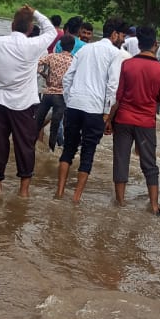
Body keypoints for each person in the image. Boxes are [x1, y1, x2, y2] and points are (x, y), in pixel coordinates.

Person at [0, 5, 57, 197]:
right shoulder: (34, 45)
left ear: (12, 25)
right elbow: (51, 30)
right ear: (30, 29)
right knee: (24, 145)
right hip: (23, 103)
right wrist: (36, 12)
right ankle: (24, 190)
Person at [56, 16, 128, 203]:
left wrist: (68, 101)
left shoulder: (85, 49)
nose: (123, 39)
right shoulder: (115, 54)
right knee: (88, 152)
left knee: (68, 150)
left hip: (74, 105)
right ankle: (76, 198)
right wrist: (106, 113)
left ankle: (59, 192)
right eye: (122, 35)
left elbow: (67, 78)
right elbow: (112, 86)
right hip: (95, 109)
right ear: (114, 35)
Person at [106, 25, 160, 215]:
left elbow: (119, 95)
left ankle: (120, 202)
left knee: (121, 159)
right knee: (149, 163)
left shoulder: (128, 64)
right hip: (146, 122)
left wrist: (109, 119)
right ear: (155, 45)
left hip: (124, 118)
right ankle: (154, 205)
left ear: (139, 44)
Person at [36, 34, 75, 150]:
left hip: (48, 93)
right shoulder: (73, 61)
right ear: (72, 47)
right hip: (61, 96)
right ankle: (51, 150)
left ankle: (29, 144)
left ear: (60, 45)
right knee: (55, 125)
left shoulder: (52, 56)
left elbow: (38, 63)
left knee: (38, 121)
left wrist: (45, 74)